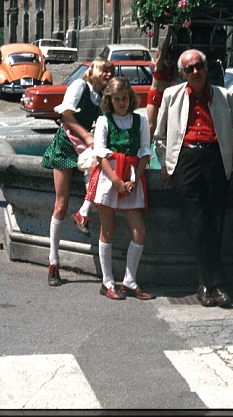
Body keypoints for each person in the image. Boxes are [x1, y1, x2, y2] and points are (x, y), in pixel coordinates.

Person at [153, 49, 233, 308]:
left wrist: (231, 160)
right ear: (182, 74)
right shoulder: (172, 96)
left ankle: (206, 286)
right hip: (186, 161)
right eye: (189, 68)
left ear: (206, 67)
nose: (195, 72)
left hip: (215, 160)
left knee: (216, 222)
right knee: (198, 222)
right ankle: (216, 284)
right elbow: (159, 137)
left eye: (199, 66)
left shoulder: (225, 97)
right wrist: (167, 164)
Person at [40, 59, 115, 286]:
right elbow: (66, 117)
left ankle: (83, 213)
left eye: (111, 71)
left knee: (98, 174)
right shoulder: (79, 87)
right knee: (61, 205)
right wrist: (88, 136)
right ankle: (53, 261)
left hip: (84, 148)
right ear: (93, 71)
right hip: (66, 145)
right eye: (105, 71)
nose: (108, 75)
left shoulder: (101, 95)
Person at [84, 77, 154, 300]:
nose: (121, 102)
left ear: (130, 98)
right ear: (110, 100)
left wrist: (136, 178)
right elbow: (101, 153)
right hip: (110, 176)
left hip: (132, 175)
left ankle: (129, 281)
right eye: (117, 99)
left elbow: (144, 151)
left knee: (139, 230)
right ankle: (107, 282)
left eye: (125, 98)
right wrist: (115, 181)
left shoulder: (140, 121)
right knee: (108, 229)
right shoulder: (104, 121)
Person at [146, 26, 178, 139]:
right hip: (155, 96)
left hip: (166, 98)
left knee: (167, 126)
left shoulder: (174, 69)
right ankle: (147, 150)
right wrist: (169, 34)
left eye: (171, 58)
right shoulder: (159, 67)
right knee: (151, 126)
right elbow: (163, 51)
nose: (169, 60)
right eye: (166, 58)